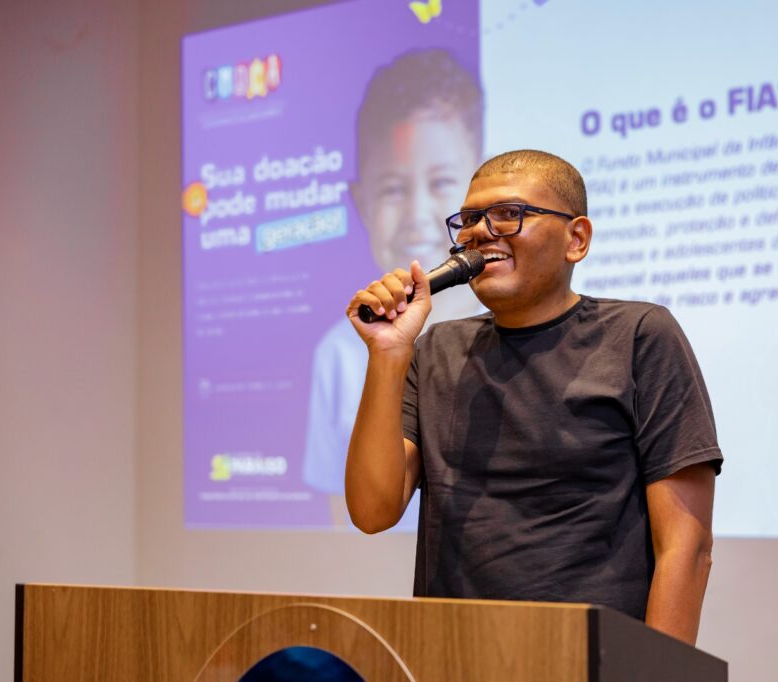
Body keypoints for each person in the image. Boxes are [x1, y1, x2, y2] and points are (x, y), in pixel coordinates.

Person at [344, 149, 723, 644]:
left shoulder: (638, 336)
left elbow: (687, 546)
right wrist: (388, 353)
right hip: (452, 654)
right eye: (470, 219)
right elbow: (372, 512)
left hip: (591, 659)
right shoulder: (436, 348)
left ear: (576, 239)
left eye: (509, 213)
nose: (480, 232)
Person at [303, 49, 484, 526]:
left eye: (441, 182)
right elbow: (350, 519)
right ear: (360, 202)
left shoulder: (514, 326)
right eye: (392, 190)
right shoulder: (338, 354)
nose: (416, 214)